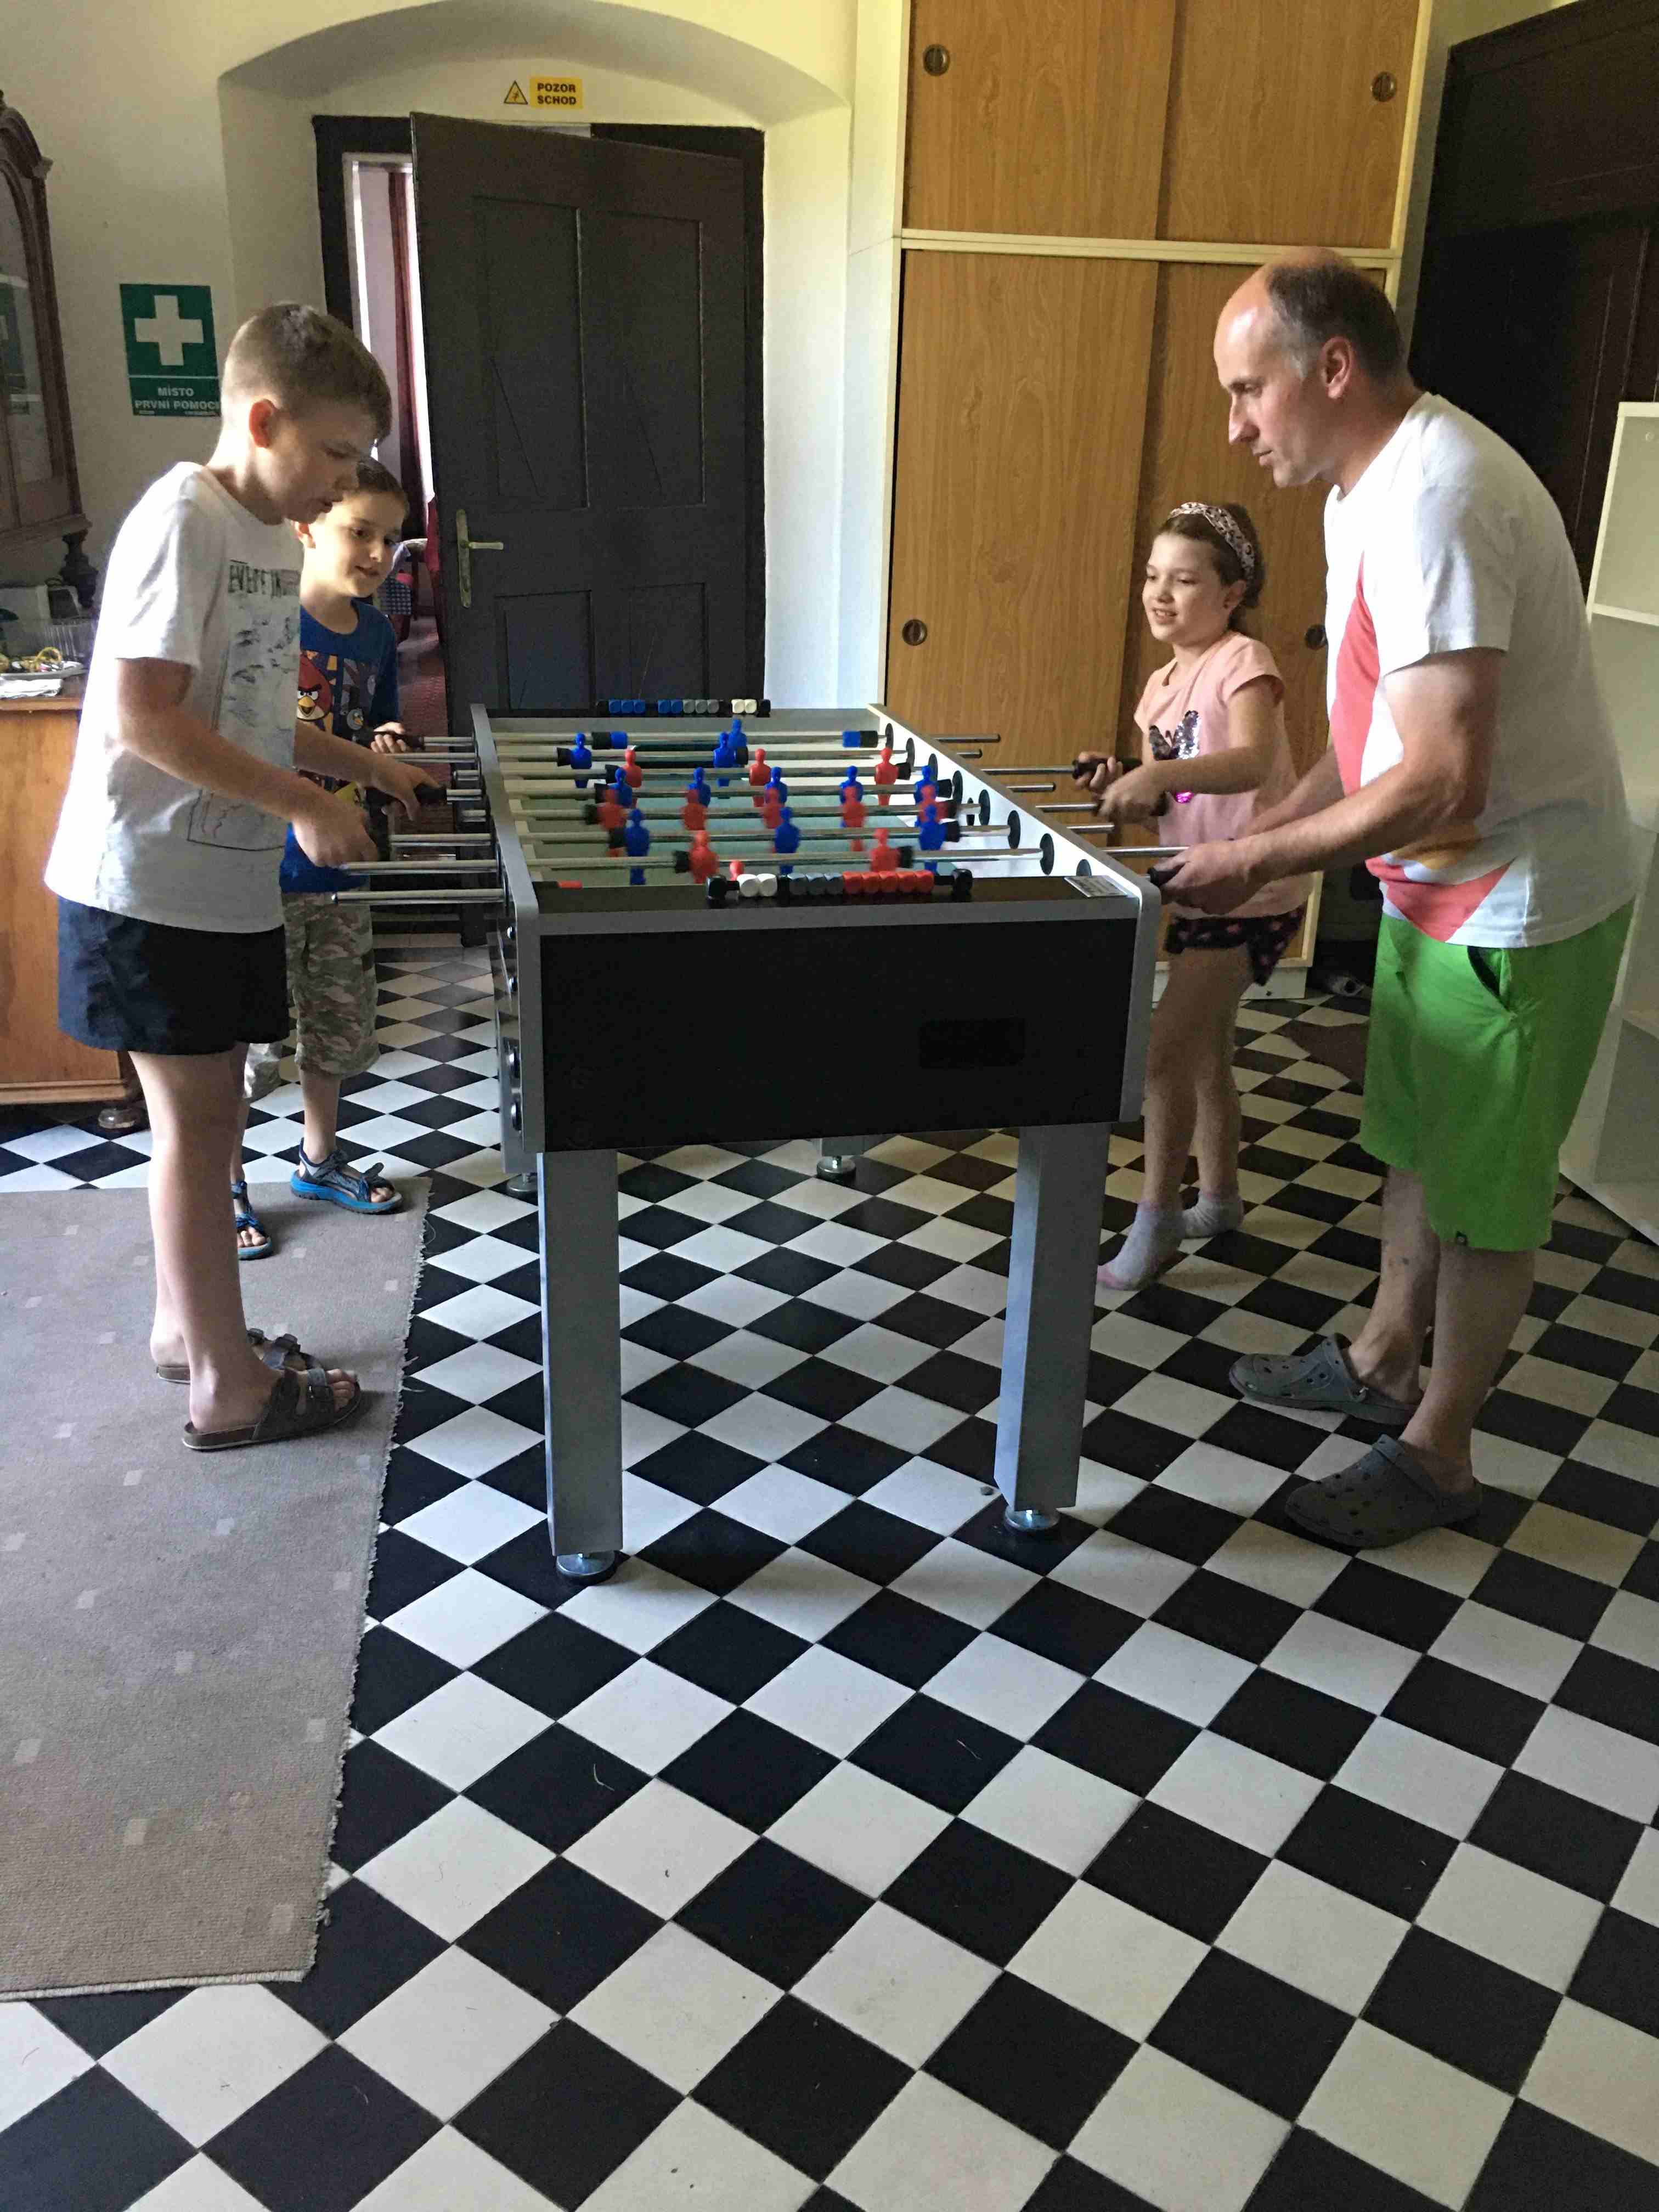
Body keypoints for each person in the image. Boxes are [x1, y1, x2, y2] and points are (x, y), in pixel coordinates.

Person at [1107, 252, 1637, 1549]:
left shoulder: (1440, 496)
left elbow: (1445, 775)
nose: (1236, 425)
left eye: (1250, 390)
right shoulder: (1361, 492)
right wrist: (1271, 828)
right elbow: (1373, 734)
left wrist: (1261, 863)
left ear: (1333, 368)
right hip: (1433, 883)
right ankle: (1383, 1354)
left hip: (1520, 901)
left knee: (1486, 1195)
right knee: (1412, 1141)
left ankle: (1439, 1451)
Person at [46, 304, 431, 1452]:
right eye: (336, 453)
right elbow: (142, 718)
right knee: (197, 1125)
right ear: (263, 421)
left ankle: (188, 1333)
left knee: (209, 1121)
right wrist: (306, 806)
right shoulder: (186, 519)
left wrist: (364, 767)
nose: (346, 480)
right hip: (143, 885)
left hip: (215, 887)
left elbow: (251, 713)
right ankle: (226, 1386)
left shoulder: (267, 535)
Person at [1076, 501, 1313, 1291]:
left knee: (1162, 1057)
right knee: (1207, 1053)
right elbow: (1178, 800)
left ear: (1232, 593)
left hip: (1254, 889)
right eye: (1153, 576)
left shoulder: (1244, 660)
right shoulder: (1161, 684)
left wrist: (1158, 772)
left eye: (1184, 580)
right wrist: (1128, 782)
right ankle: (1219, 1199)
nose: (1160, 594)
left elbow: (1249, 762)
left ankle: (1157, 1223)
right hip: (1201, 885)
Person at [233, 458, 415, 1257]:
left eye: (391, 539)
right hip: (255, 874)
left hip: (341, 869)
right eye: (359, 532)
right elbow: (247, 738)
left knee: (335, 1026)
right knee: (245, 1047)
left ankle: (318, 1160)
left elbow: (378, 723)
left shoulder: (377, 634)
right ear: (307, 527)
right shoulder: (267, 622)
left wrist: (388, 742)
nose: (377, 554)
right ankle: (225, 1184)